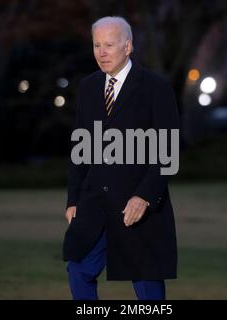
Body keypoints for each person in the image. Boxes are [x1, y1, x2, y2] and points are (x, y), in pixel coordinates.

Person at [63, 16, 179, 300]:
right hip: (95, 203)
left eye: (109, 45)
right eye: (96, 45)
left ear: (128, 46)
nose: (101, 52)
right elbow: (81, 146)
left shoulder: (156, 87)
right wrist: (73, 199)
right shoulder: (88, 87)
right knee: (79, 270)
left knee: (146, 282)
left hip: (137, 205)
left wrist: (145, 197)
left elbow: (168, 151)